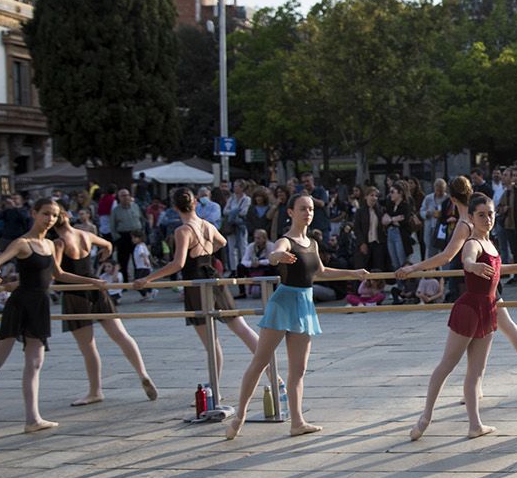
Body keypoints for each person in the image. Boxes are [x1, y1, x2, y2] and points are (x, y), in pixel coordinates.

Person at [0, 199, 112, 439]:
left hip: (40, 305)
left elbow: (58, 275)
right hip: (20, 305)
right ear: (33, 213)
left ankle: (32, 419)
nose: (49, 219)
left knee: (35, 363)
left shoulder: (50, 244)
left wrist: (93, 282)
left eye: (53, 215)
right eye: (45, 214)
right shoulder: (22, 243)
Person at [224, 194, 370, 440]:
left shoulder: (312, 242)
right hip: (283, 303)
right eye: (303, 209)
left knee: (298, 370)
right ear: (290, 212)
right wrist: (276, 257)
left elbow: (321, 272)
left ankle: (298, 422)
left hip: (304, 304)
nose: (308, 213)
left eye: (311, 209)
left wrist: (353, 272)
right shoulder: (286, 240)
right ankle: (240, 415)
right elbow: (275, 254)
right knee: (260, 362)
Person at [400, 177, 517, 397]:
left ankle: (475, 388)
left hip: (474, 285)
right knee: (505, 328)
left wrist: (415, 267)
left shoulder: (464, 223)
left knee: (476, 339)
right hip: (488, 281)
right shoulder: (480, 215)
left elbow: (446, 256)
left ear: (451, 198)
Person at [407, 193, 517, 441]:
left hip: (488, 308)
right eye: (481, 215)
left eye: (490, 213)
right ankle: (425, 416)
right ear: (471, 217)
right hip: (469, 309)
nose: (487, 219)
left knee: (476, 371)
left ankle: (475, 425)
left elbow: (495, 268)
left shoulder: (489, 242)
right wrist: (473, 266)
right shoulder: (472, 243)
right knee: (447, 364)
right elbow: (467, 260)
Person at [135, 187, 262, 403]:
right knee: (241, 327)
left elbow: (178, 264)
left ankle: (215, 389)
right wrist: (208, 249)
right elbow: (221, 242)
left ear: (175, 207)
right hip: (213, 278)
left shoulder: (183, 230)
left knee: (211, 342)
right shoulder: (207, 225)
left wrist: (148, 279)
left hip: (196, 284)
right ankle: (271, 372)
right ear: (195, 203)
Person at [52, 207, 157, 407]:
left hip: (76, 293)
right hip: (96, 287)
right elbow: (108, 244)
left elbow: (58, 274)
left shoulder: (59, 242)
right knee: (121, 335)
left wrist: (88, 280)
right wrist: (105, 253)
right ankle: (142, 373)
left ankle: (95, 391)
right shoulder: (85, 234)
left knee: (88, 347)